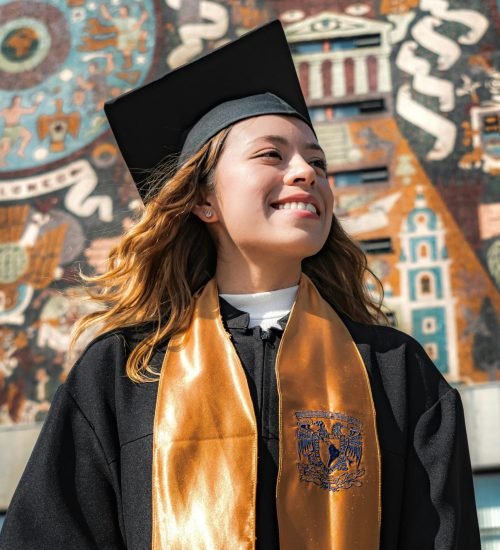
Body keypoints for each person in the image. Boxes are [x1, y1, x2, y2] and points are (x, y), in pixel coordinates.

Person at [0, 20, 480, 550]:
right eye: (272, 155)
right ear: (203, 200)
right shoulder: (124, 374)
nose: (306, 173)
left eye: (317, 161)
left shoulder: (395, 373)